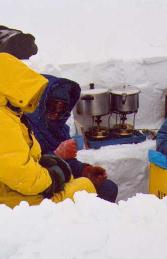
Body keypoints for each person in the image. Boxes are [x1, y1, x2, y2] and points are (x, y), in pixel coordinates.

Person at [0, 53, 96, 208]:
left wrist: (53, 164)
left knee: (83, 184)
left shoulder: (11, 115)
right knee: (84, 189)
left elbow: (23, 160)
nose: (56, 112)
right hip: (13, 200)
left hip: (18, 191)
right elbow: (21, 174)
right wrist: (53, 177)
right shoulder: (3, 120)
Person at [25, 74, 118, 203]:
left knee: (108, 188)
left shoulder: (59, 128)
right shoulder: (26, 127)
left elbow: (67, 163)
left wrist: (85, 170)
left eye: (62, 109)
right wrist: (57, 155)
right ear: (41, 103)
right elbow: (26, 172)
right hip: (40, 189)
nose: (57, 113)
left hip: (58, 179)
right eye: (52, 106)